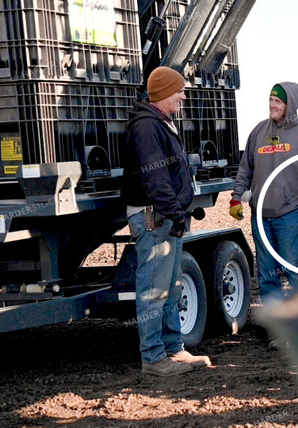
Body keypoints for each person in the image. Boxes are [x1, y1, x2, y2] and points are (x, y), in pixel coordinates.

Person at [122, 66, 211, 376]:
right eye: (179, 91)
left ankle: (173, 349)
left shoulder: (161, 122)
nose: (183, 96)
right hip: (154, 219)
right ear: (162, 94)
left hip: (166, 219)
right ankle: (153, 357)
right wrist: (175, 213)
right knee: (153, 291)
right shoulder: (147, 128)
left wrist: (178, 214)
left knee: (170, 288)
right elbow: (156, 180)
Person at [230, 82, 298, 307]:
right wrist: (237, 197)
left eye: (278, 101)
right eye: (271, 100)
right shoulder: (259, 132)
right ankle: (279, 330)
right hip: (260, 216)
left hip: (289, 215)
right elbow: (246, 169)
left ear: (289, 104)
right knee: (267, 276)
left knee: (296, 273)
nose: (272, 105)